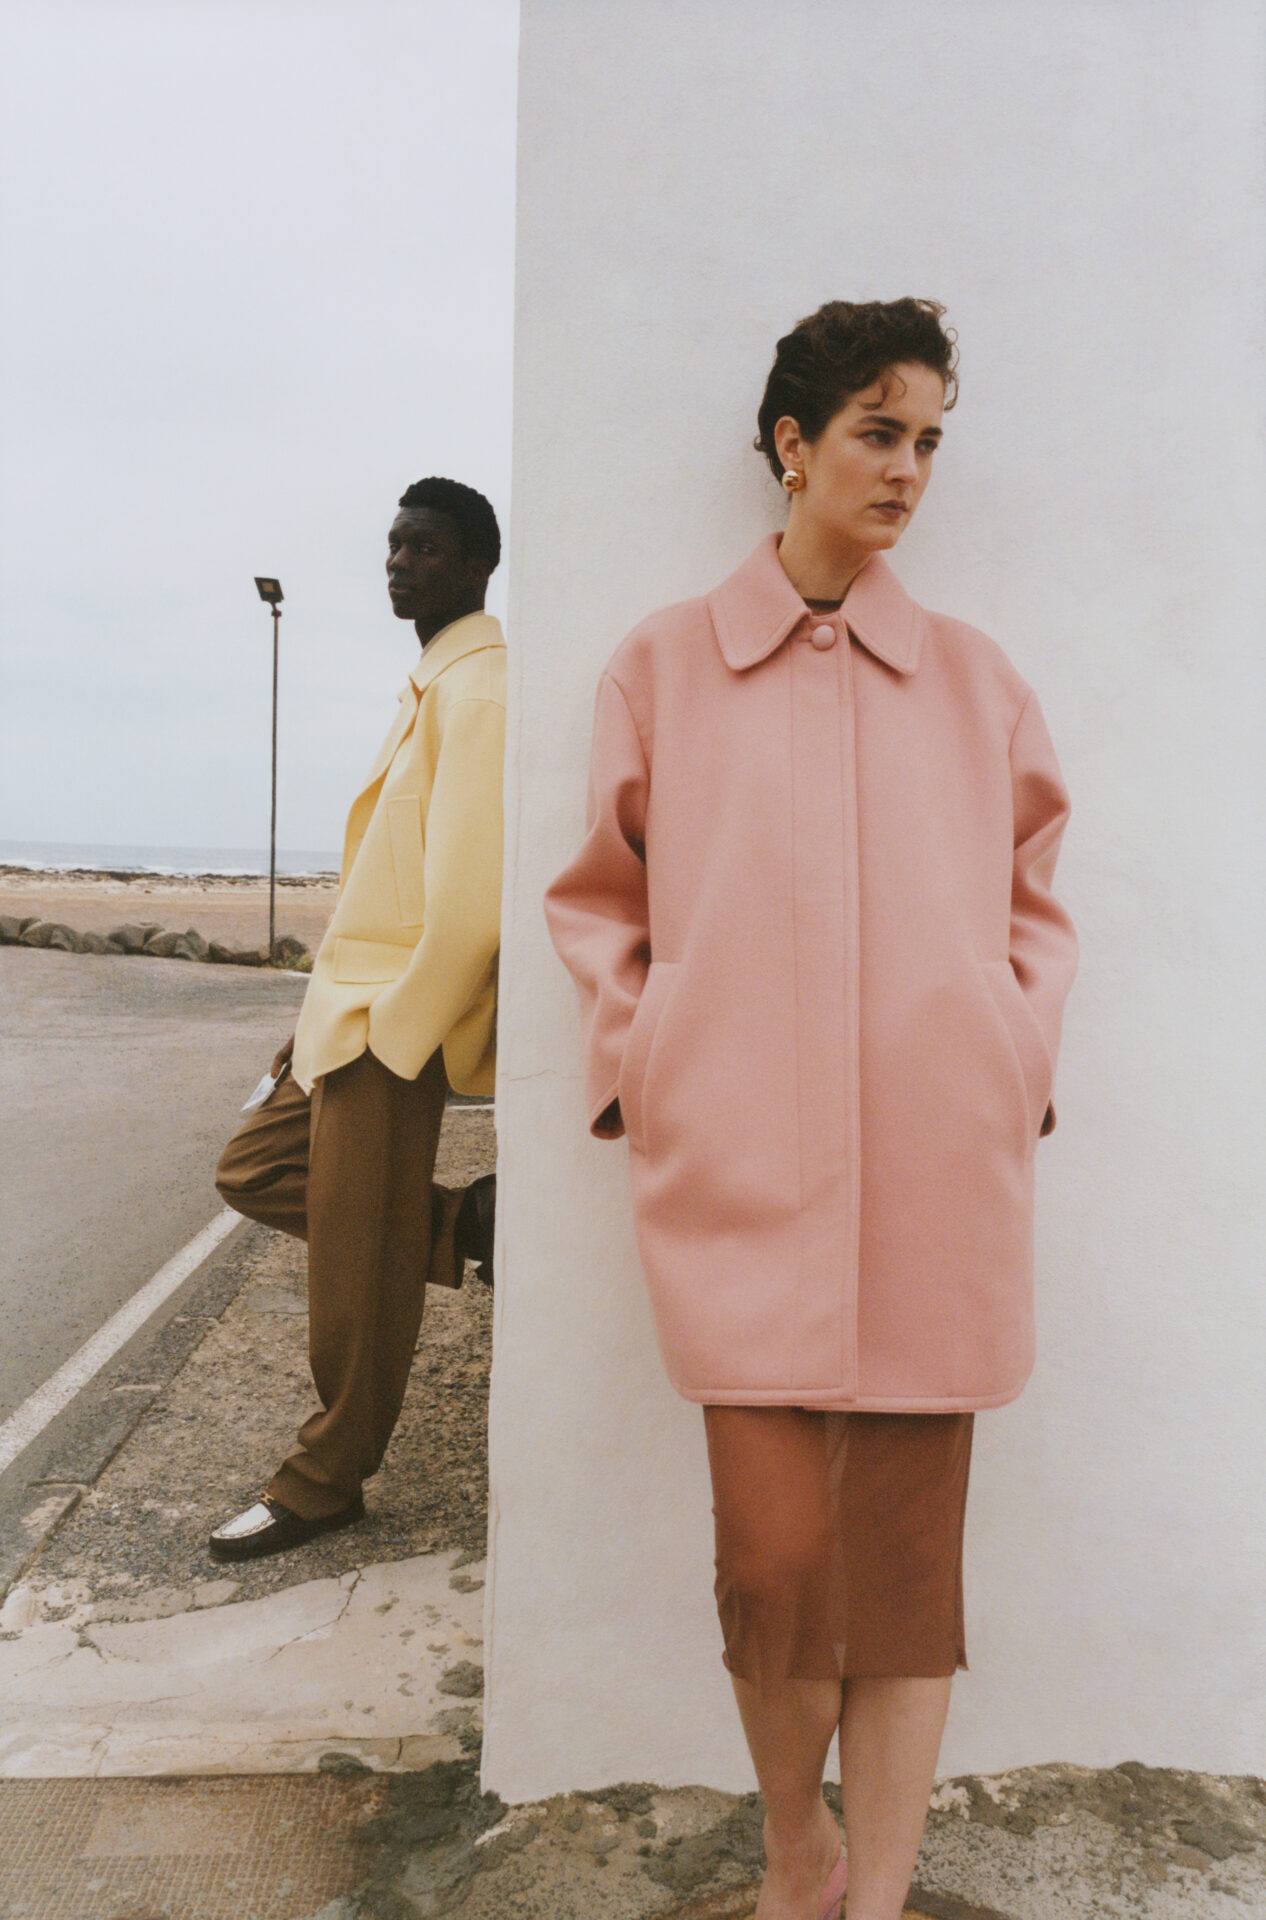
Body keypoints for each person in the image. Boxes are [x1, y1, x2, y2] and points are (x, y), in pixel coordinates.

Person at [545, 301, 1077, 1920]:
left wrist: (1010, 1057)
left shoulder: (977, 683)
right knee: (774, 1571)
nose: (907, 468)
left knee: (904, 1590)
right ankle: (798, 1853)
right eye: (876, 431)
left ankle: (883, 1894)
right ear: (791, 442)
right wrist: (647, 1062)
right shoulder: (661, 667)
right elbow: (598, 903)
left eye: (928, 441)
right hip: (737, 1184)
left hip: (934, 1183)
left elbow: (1035, 908)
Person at [209, 476, 505, 1563]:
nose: (399, 564)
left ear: (477, 564)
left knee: (355, 1283)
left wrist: (394, 1028)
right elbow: (388, 882)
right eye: (392, 546)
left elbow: (470, 901)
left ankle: (324, 1483)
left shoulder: (480, 689)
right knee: (253, 1167)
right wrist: (317, 1012)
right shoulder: (432, 682)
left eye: (423, 548)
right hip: (348, 1014)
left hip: (391, 1026)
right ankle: (469, 1227)